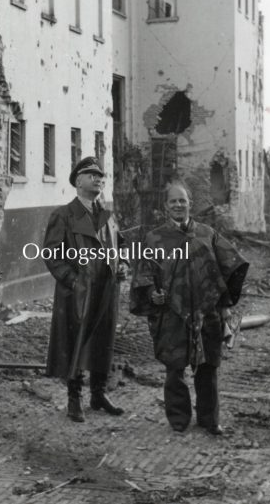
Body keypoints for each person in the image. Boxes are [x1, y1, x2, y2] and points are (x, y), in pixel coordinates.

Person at [130, 180, 249, 435]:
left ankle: (209, 419)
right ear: (165, 206)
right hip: (172, 314)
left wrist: (224, 303)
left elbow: (231, 265)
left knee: (208, 367)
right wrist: (153, 294)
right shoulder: (154, 238)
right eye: (173, 201)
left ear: (190, 204)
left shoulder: (207, 234)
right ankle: (179, 419)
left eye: (182, 200)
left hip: (207, 312)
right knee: (175, 368)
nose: (178, 205)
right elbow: (144, 274)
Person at [43, 156, 126, 422]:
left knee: (103, 340)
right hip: (79, 291)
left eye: (101, 176)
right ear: (78, 181)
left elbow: (119, 246)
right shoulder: (63, 215)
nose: (99, 179)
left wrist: (121, 264)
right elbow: (52, 254)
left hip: (106, 287)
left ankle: (98, 394)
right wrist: (72, 281)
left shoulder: (107, 215)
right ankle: (74, 398)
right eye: (92, 175)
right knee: (76, 341)